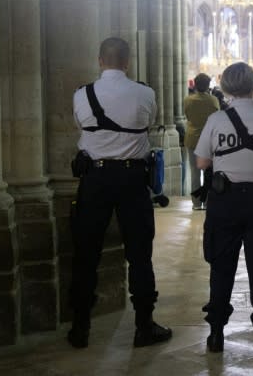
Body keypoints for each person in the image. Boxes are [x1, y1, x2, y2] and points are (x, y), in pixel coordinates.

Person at [69, 37, 171, 349]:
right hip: (131, 179)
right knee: (140, 254)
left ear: (100, 60)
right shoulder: (145, 93)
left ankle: (80, 328)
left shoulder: (82, 95)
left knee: (86, 254)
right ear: (127, 62)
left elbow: (80, 125)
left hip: (95, 178)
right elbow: (148, 122)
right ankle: (144, 326)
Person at [195, 62, 253, 355]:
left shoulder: (216, 120)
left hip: (226, 200)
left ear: (225, 88)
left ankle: (216, 334)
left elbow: (201, 163)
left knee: (221, 267)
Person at [184, 73, 220, 210]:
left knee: (194, 172)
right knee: (209, 171)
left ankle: (196, 203)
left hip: (192, 137)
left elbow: (187, 116)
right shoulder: (213, 100)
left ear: (195, 84)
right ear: (207, 85)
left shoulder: (188, 100)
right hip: (209, 139)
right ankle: (207, 201)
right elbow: (217, 117)